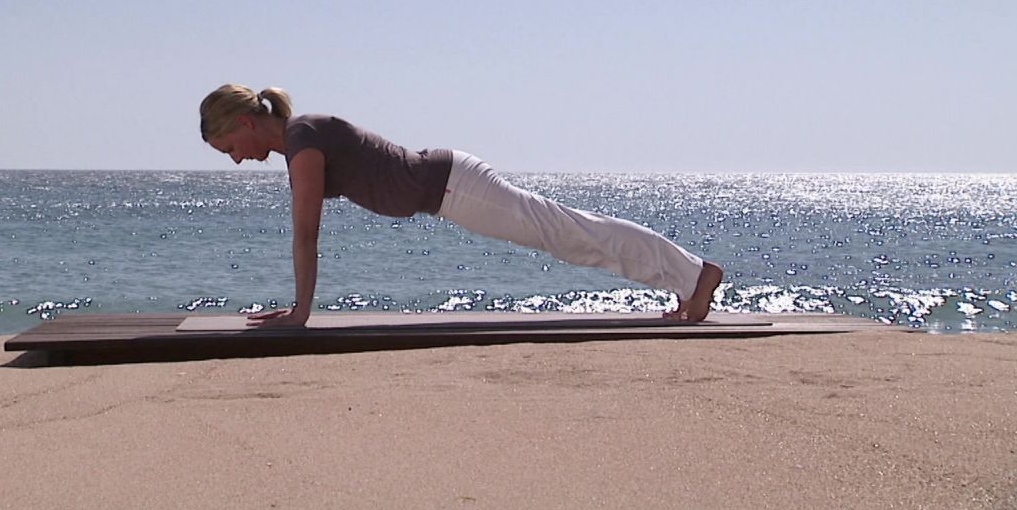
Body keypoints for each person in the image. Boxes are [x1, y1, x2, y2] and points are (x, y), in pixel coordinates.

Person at [199, 84, 723, 328]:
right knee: (570, 233)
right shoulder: (300, 138)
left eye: (229, 149)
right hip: (451, 188)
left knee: (570, 234)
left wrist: (300, 314)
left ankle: (694, 278)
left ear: (244, 123)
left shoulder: (302, 140)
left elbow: (306, 233)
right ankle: (686, 279)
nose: (237, 161)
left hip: (454, 186)